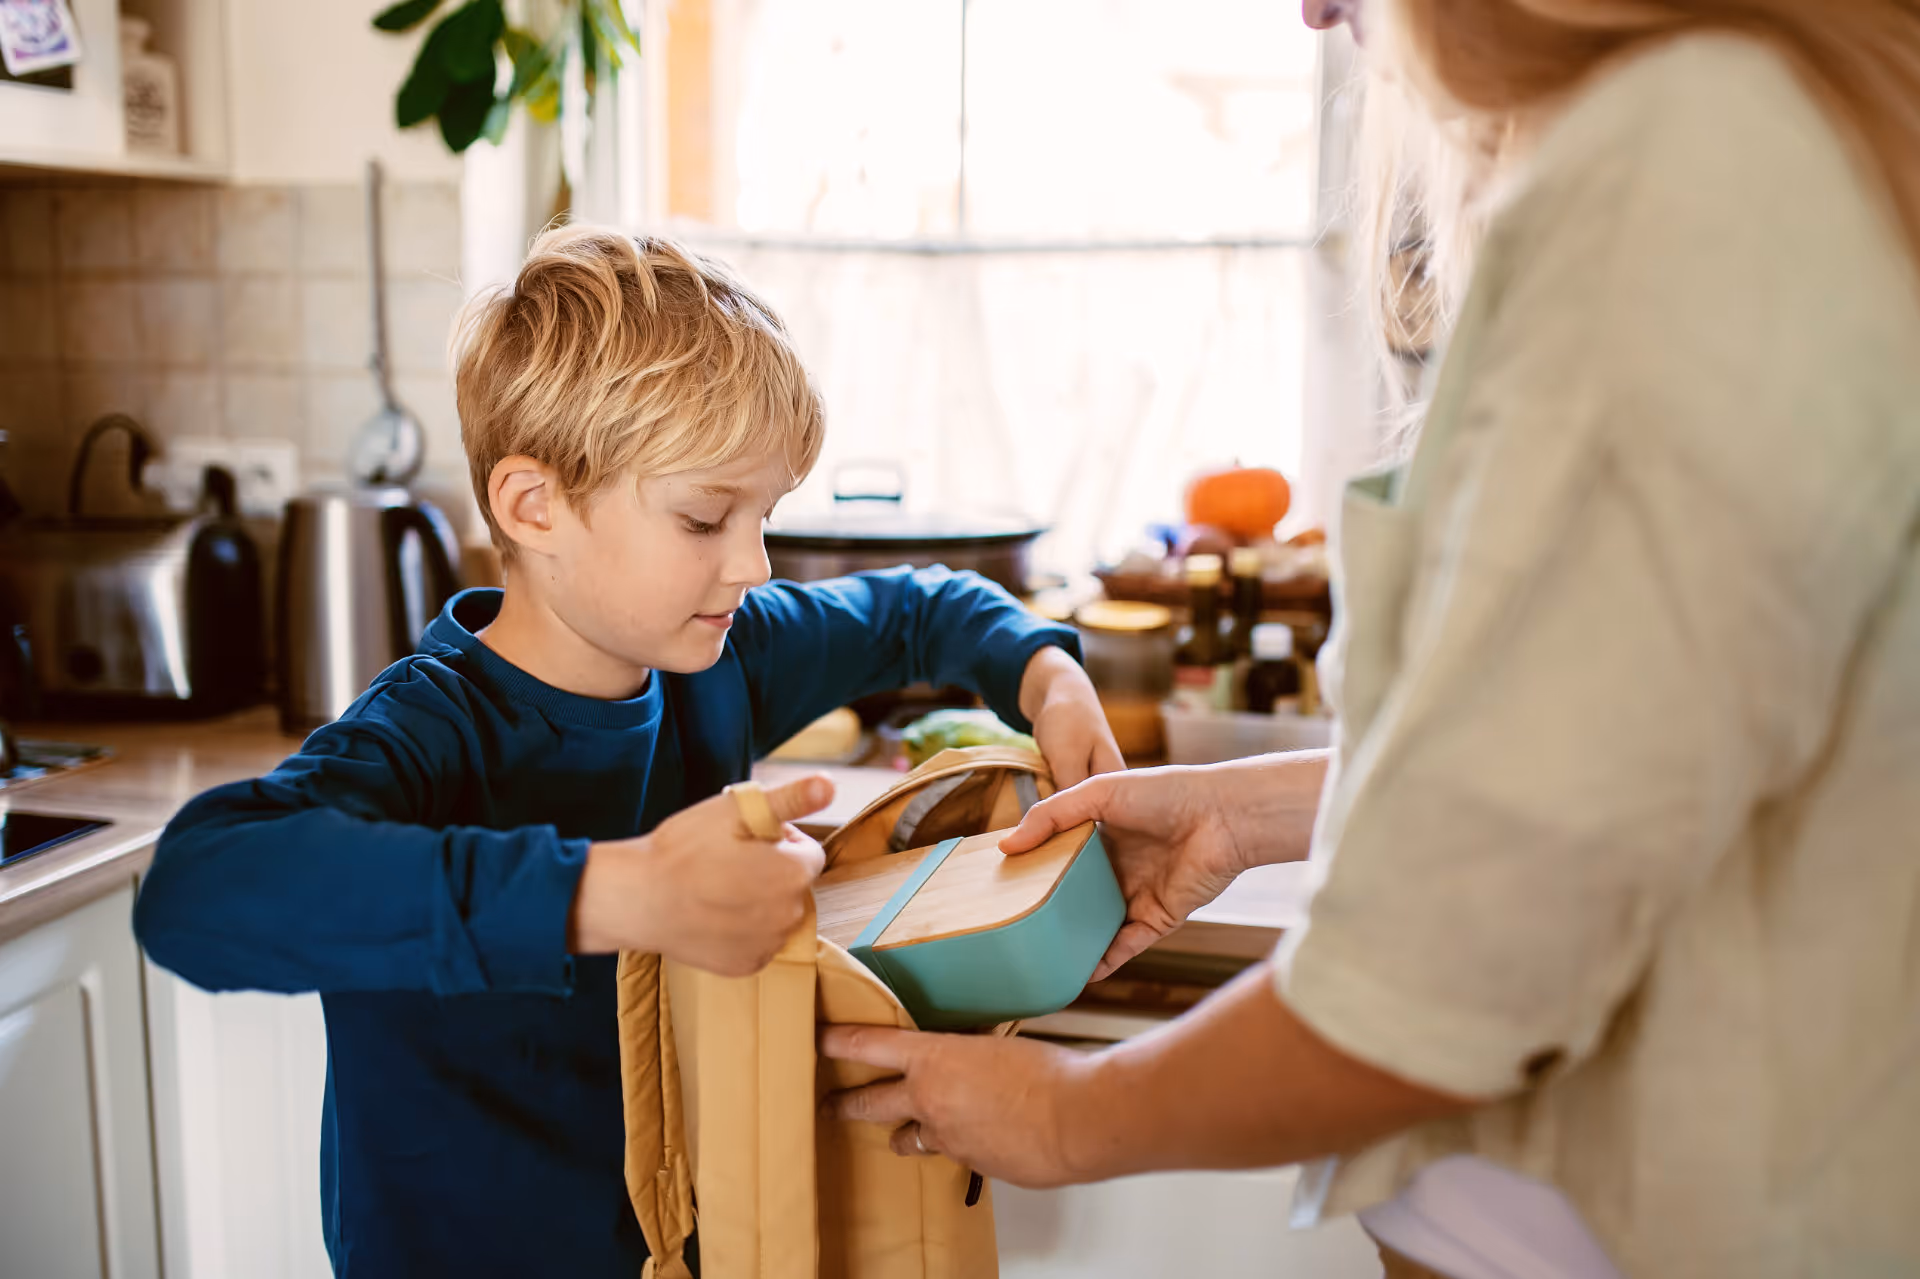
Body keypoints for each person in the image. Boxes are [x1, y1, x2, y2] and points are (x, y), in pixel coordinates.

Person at [822, 2, 1920, 1276]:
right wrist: (1252, 811)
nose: (1311, 7)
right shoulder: (1755, 139)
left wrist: (1069, 1116)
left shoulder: (1678, 179)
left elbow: (1458, 965)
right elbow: (1607, 768)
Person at [133, 227, 1122, 1279]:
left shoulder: (718, 657)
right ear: (534, 504)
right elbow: (196, 889)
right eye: (705, 517)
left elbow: (925, 606)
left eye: (764, 514)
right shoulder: (431, 733)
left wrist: (1045, 675)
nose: (752, 563)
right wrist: (615, 892)